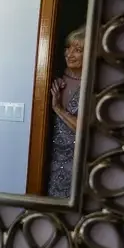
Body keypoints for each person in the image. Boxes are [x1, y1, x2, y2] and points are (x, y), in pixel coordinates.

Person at [47, 26, 85, 198]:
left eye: (78, 50)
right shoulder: (53, 78)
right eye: (68, 47)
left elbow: (83, 129)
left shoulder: (91, 86)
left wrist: (58, 108)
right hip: (50, 160)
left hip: (76, 164)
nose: (69, 54)